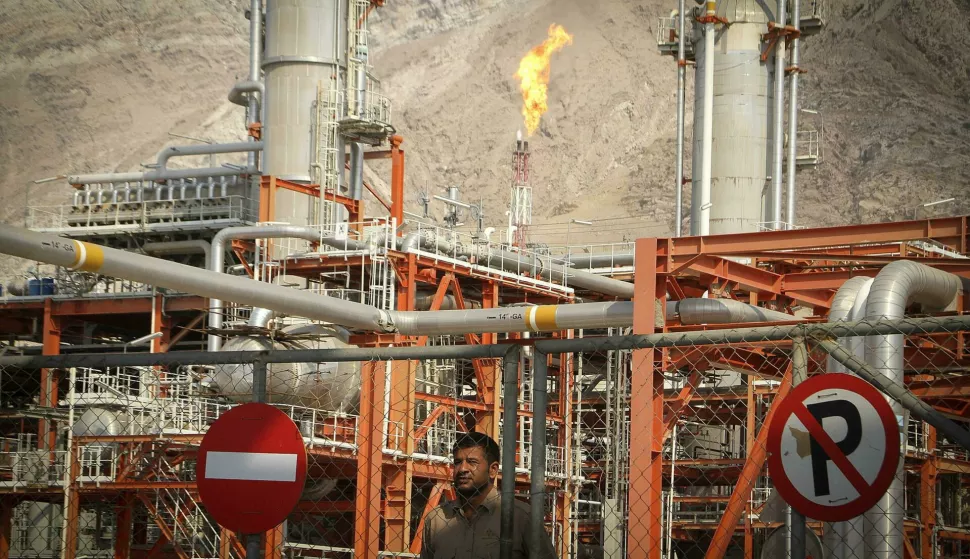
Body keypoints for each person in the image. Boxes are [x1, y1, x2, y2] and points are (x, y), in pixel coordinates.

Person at [420, 432, 557, 559]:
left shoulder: (520, 518)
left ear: (493, 470)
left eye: (472, 462)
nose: (462, 469)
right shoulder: (436, 519)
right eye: (457, 462)